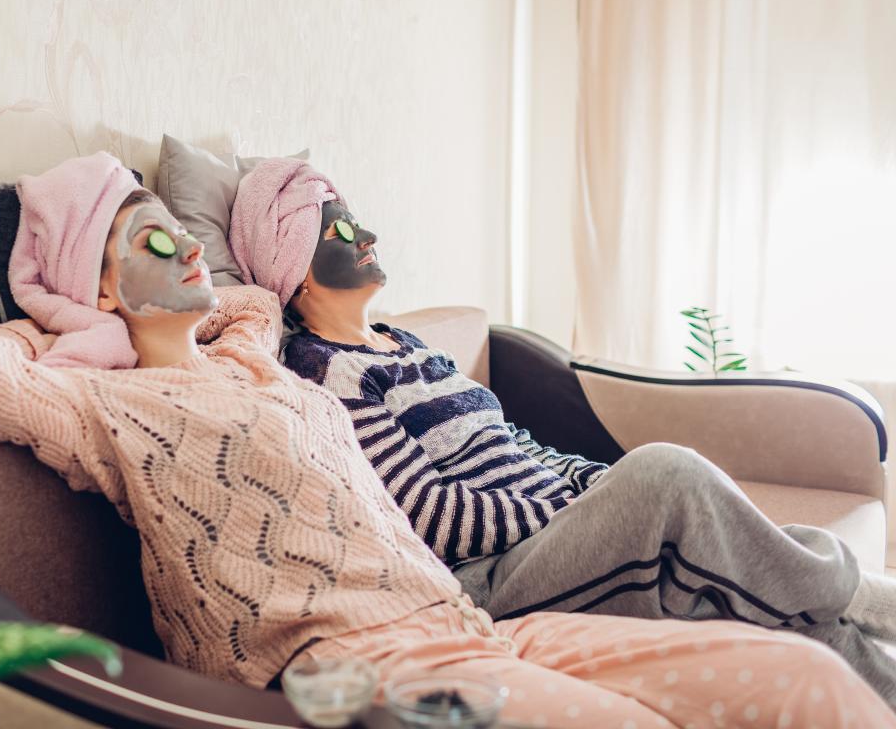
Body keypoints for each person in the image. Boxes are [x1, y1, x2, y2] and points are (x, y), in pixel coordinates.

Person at [0, 152, 894, 727]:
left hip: (466, 620)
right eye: (153, 238)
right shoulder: (105, 408)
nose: (190, 244)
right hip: (345, 663)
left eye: (183, 226)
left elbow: (253, 299)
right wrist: (68, 319)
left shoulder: (260, 362)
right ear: (103, 288)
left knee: (807, 678)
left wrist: (177, 291)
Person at [228, 155, 896, 710]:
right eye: (342, 231)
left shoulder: (406, 344)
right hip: (490, 578)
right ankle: (856, 587)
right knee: (665, 472)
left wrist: (592, 485)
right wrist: (569, 510)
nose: (367, 234)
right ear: (299, 266)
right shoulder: (323, 372)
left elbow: (515, 445)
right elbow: (430, 519)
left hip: (550, 536)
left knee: (761, 600)